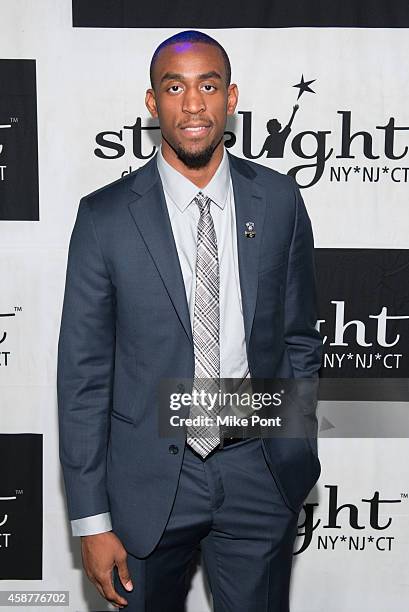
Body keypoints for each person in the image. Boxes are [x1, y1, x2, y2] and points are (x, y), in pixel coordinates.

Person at [57, 29, 323, 612]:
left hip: (257, 468)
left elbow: (300, 335)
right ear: (153, 105)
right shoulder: (104, 218)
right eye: (175, 88)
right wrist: (91, 519)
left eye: (209, 86)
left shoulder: (280, 201)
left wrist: (294, 444)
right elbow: (83, 377)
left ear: (232, 99)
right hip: (145, 482)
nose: (194, 104)